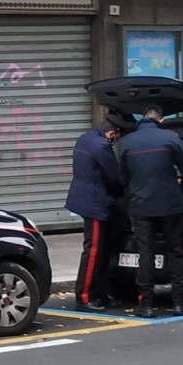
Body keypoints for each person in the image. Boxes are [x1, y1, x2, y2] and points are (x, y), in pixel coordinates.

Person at [119, 105, 183, 318]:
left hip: (141, 206)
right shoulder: (170, 138)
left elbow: (122, 177)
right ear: (160, 120)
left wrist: (134, 192)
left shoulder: (127, 143)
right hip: (170, 204)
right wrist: (182, 186)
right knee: (175, 250)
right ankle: (180, 303)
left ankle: (146, 305)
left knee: (146, 252)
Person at [65, 118, 124, 311]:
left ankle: (100, 294)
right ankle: (84, 298)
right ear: (112, 133)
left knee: (101, 250)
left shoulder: (85, 138)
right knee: (94, 251)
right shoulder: (102, 146)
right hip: (95, 204)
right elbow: (114, 177)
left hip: (85, 200)